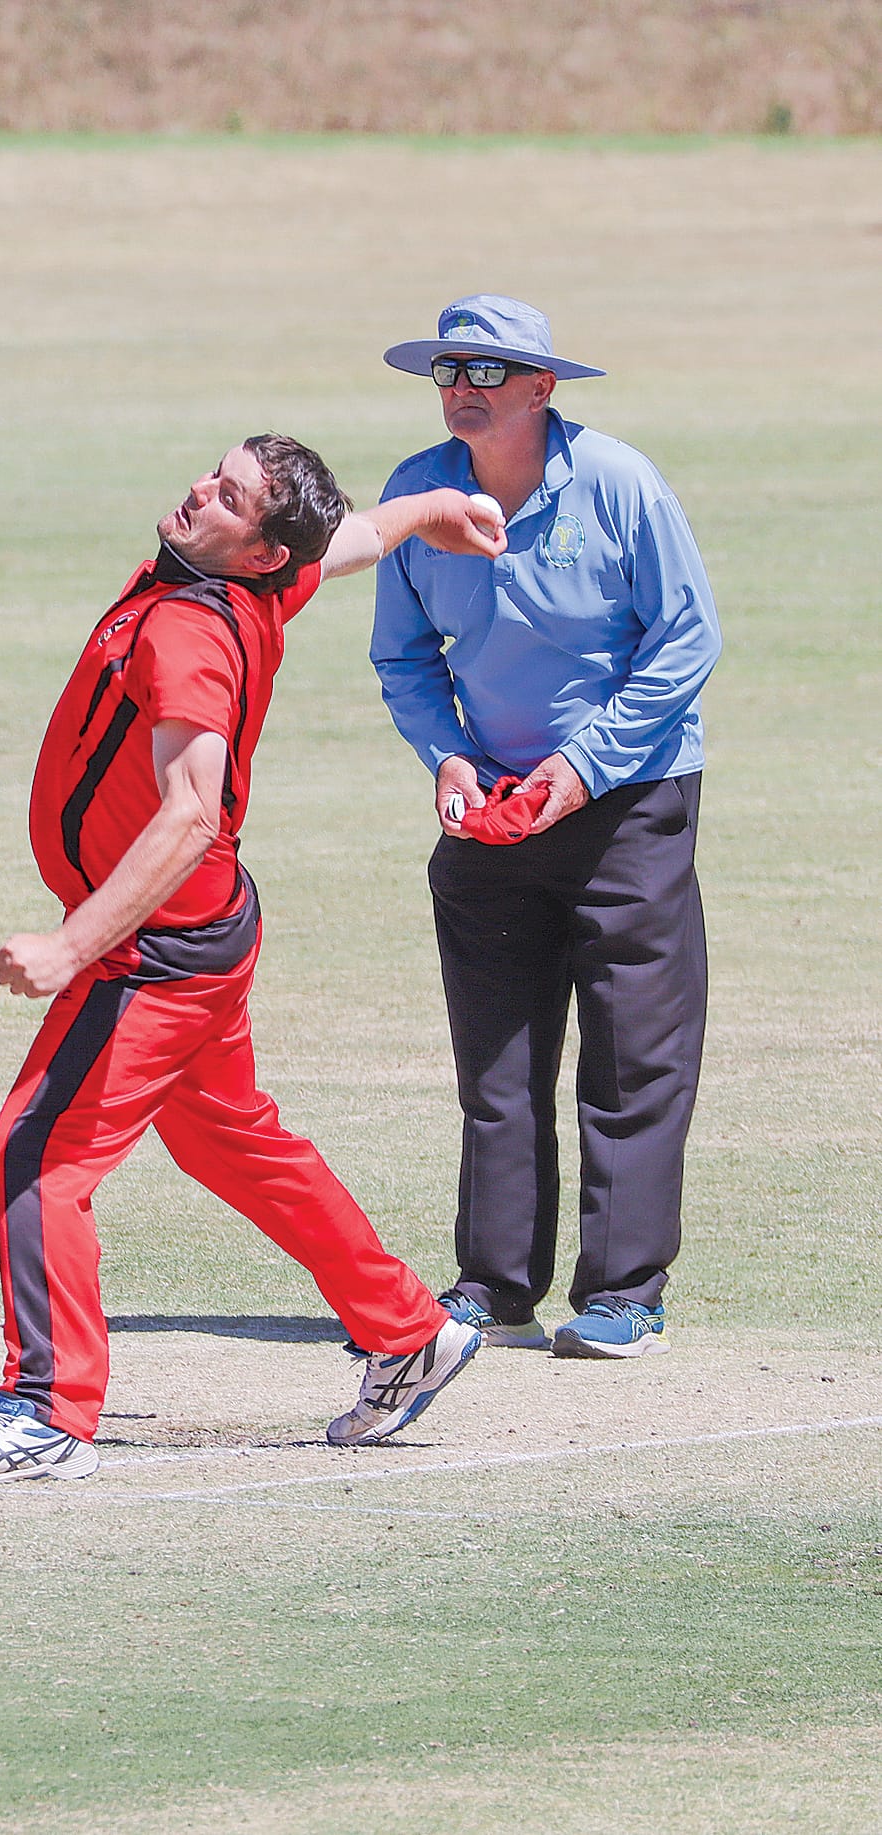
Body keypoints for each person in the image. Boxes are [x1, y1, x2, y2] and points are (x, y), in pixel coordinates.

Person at [0, 434, 505, 1485]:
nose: (198, 493)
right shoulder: (248, 580)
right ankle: (407, 1326)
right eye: (212, 473)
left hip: (157, 950)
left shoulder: (193, 629)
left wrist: (69, 944)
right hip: (206, 932)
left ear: (259, 551)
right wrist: (436, 509)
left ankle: (48, 1408)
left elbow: (187, 813)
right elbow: (355, 537)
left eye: (227, 498)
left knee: (37, 1150)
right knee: (232, 1143)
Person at [371, 295, 721, 1360]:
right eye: (448, 372)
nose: (464, 389)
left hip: (631, 800)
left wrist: (584, 764)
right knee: (498, 1055)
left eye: (487, 371)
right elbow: (403, 659)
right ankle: (494, 1282)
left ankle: (624, 1293)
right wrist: (452, 760)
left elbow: (688, 638)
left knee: (632, 1054)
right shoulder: (413, 493)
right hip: (491, 808)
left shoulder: (618, 481)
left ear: (541, 388)